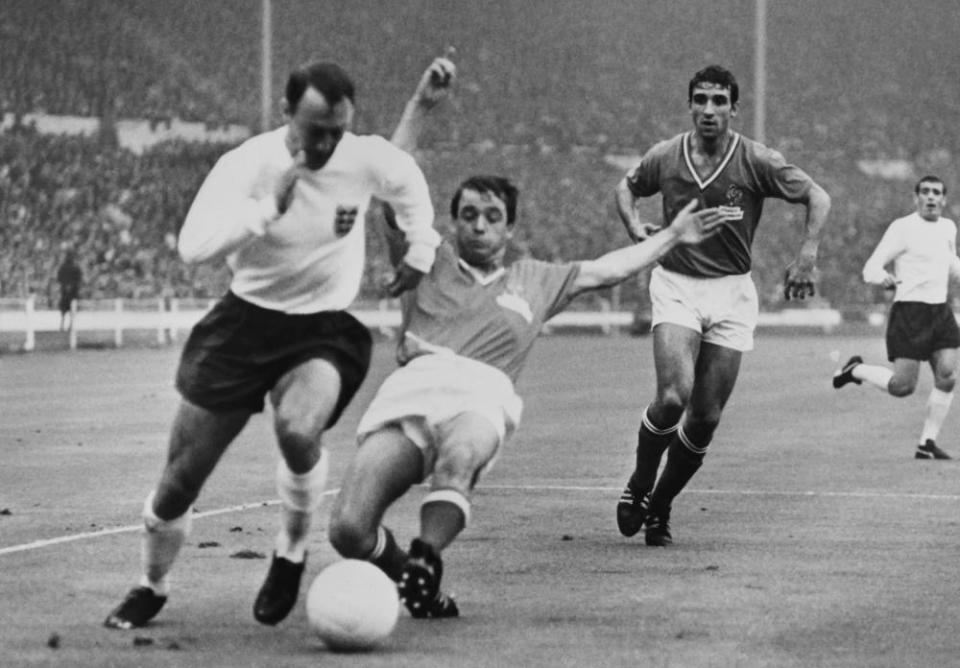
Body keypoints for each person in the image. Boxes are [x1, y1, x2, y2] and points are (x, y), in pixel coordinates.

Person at [325, 70, 739, 617]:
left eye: (491, 217)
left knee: (461, 455)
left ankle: (427, 554)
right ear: (452, 223)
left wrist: (670, 236)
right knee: (349, 530)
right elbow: (393, 184)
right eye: (467, 215)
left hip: (481, 394)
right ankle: (413, 578)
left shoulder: (536, 279)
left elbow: (609, 268)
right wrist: (419, 106)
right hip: (413, 389)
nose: (478, 226)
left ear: (510, 230)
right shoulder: (429, 260)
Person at [103, 57, 450, 630]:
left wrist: (420, 250)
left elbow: (405, 179)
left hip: (320, 329)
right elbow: (194, 247)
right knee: (178, 483)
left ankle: (290, 550)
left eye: (338, 131)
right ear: (287, 112)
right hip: (243, 325)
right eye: (315, 130)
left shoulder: (361, 157)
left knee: (297, 428)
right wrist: (267, 210)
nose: (327, 144)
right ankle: (152, 584)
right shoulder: (248, 165)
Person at [612, 65, 832, 547]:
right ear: (690, 104)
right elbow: (625, 187)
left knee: (705, 417)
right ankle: (639, 482)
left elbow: (818, 197)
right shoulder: (665, 156)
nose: (709, 110)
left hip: (732, 292)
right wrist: (634, 227)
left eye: (718, 101)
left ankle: (660, 506)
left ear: (734, 108)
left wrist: (807, 255)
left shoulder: (755, 159)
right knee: (674, 396)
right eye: (701, 100)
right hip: (677, 284)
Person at [833, 175, 960, 460]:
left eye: (936, 193)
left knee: (948, 375)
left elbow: (949, 262)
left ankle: (926, 443)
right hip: (909, 313)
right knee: (903, 387)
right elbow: (871, 267)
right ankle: (855, 371)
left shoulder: (948, 228)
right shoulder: (902, 228)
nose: (930, 197)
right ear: (916, 197)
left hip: (939, 311)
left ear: (943, 199)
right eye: (925, 192)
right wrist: (882, 278)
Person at [57, 250, 82, 331]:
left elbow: (59, 278)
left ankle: (62, 325)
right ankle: (70, 325)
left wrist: (65, 285)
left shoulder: (62, 267)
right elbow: (79, 279)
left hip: (64, 291)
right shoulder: (75, 267)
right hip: (73, 291)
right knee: (72, 309)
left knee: (64, 310)